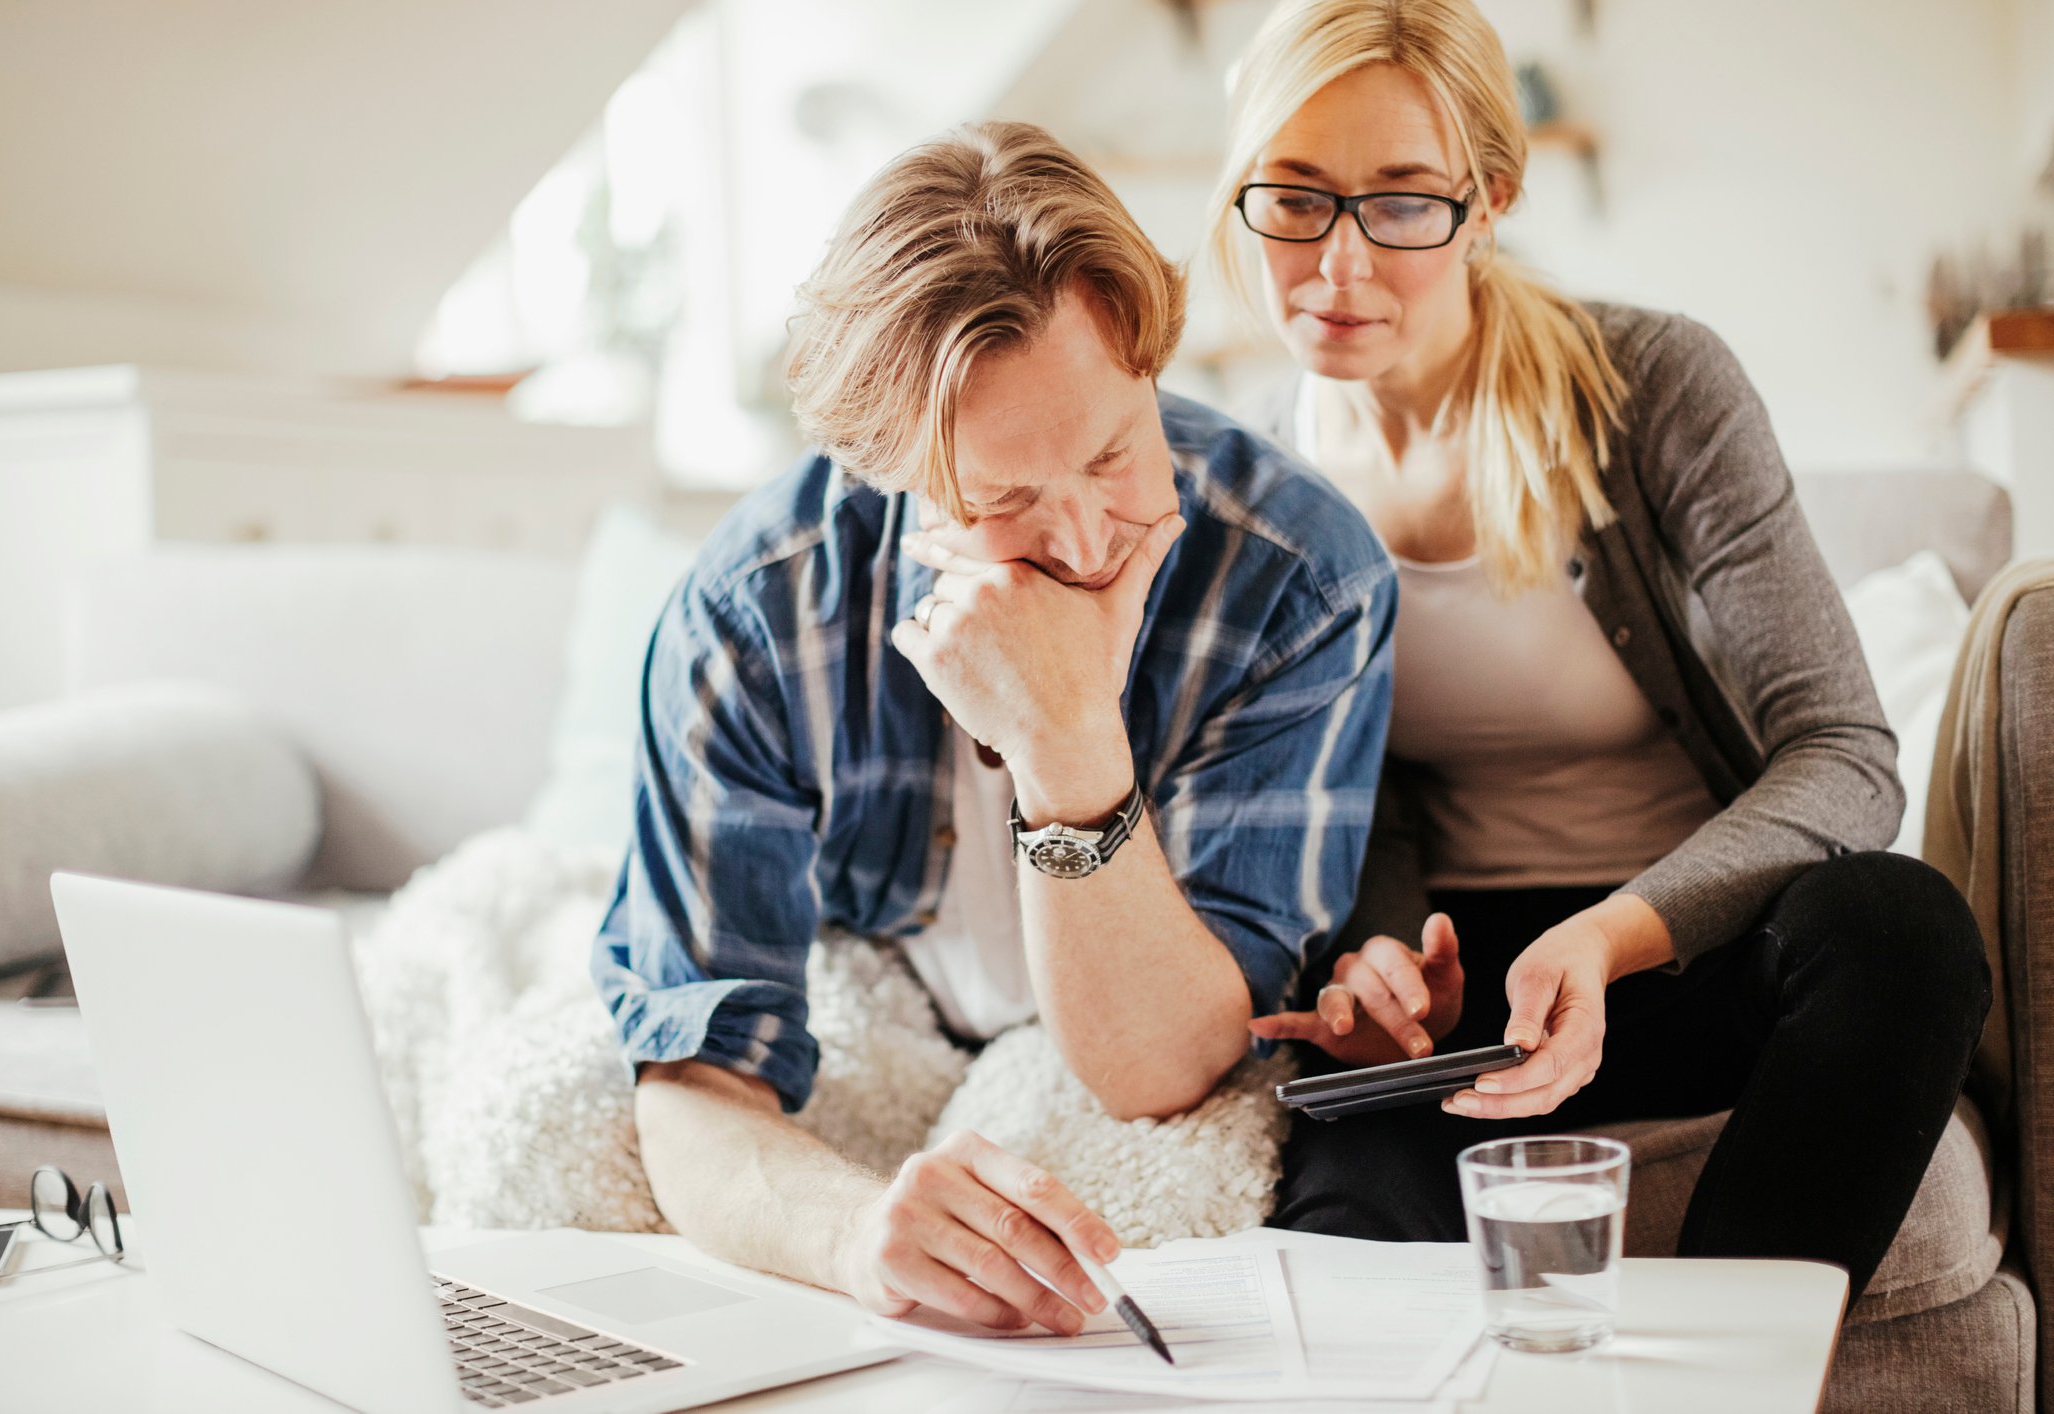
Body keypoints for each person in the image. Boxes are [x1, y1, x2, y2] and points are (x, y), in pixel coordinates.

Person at [1210, 0, 1990, 1306]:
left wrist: (1615, 934)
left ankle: (1722, 1373)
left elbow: (1845, 753)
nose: (1336, 264)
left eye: (1400, 203)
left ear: (1489, 199)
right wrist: (1383, 964)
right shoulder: (1252, 483)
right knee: (1347, 1232)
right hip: (1471, 1009)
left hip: (1689, 946)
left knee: (1902, 927)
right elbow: (1352, 809)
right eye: (1293, 197)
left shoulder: (1653, 385)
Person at [591, 120, 1396, 1335]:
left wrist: (1066, 734)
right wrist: (859, 1236)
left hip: (1109, 1046)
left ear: (1149, 363)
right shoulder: (757, 610)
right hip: (888, 1006)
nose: (1083, 543)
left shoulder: (1302, 580)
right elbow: (701, 1072)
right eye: (1005, 500)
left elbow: (1166, 1064)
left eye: (1117, 452)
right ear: (889, 475)